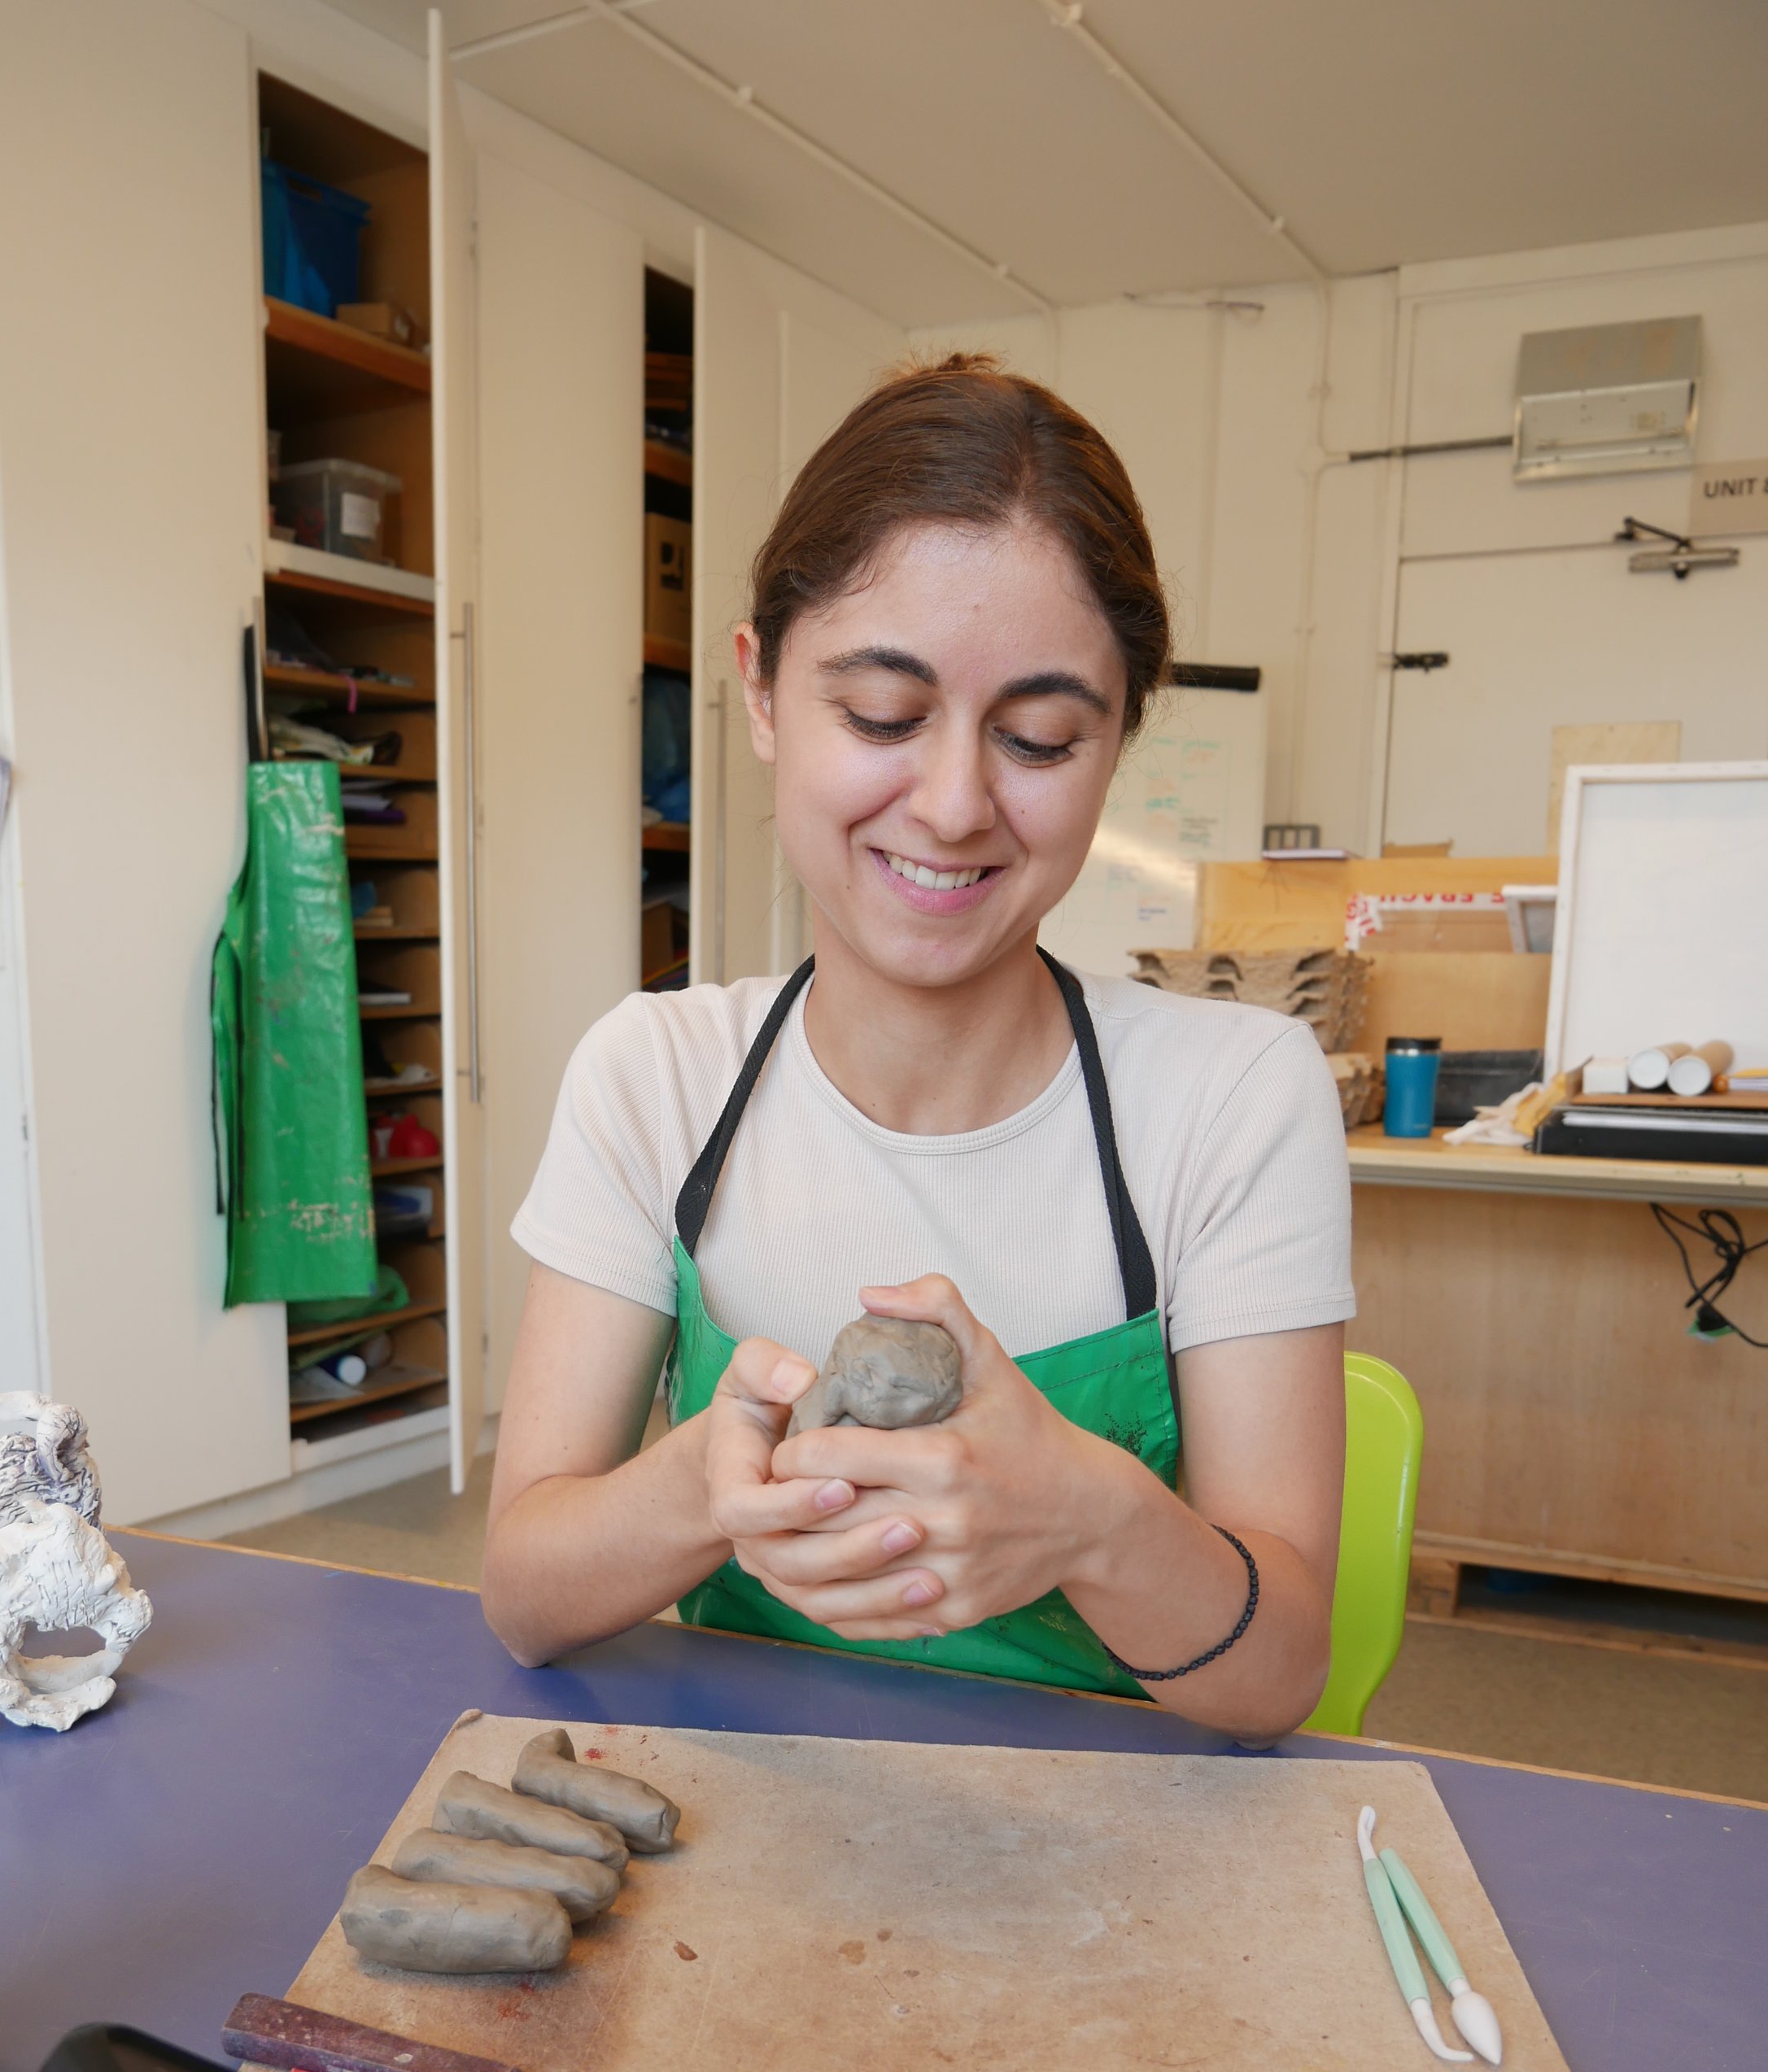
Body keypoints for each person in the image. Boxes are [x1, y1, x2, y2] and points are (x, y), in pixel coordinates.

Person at [484, 356, 1351, 1741]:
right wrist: (709, 1480)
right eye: (883, 715)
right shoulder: (653, 1075)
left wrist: (1093, 1521)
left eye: (1041, 737)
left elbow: (1280, 1673)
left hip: (1122, 1870)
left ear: (1117, 739)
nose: (952, 804)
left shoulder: (1234, 1099)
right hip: (742, 1843)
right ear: (762, 694)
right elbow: (524, 1598)